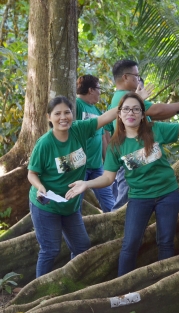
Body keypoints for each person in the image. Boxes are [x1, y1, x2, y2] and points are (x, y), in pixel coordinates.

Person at [66, 92, 179, 276]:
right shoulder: (116, 145)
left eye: (136, 109)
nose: (130, 113)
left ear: (143, 114)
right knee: (130, 243)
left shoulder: (155, 130)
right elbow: (108, 178)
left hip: (168, 194)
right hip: (140, 198)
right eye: (126, 109)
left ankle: (161, 284)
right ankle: (122, 286)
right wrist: (87, 184)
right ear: (119, 115)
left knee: (165, 241)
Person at [27, 96, 118, 277]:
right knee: (50, 249)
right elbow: (32, 173)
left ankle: (69, 282)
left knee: (81, 246)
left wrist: (135, 100)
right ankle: (36, 293)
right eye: (57, 113)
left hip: (71, 205)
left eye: (67, 112)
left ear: (72, 114)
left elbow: (108, 116)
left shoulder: (79, 130)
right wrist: (40, 187)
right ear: (49, 117)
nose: (63, 117)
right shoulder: (45, 144)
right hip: (46, 205)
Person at [109, 59, 179, 210]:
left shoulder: (126, 97)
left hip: (142, 154)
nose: (138, 79)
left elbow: (155, 116)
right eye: (136, 76)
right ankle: (117, 231)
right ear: (125, 77)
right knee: (123, 203)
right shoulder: (124, 98)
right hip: (130, 154)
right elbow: (156, 110)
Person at [76, 75, 115, 212]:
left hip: (97, 166)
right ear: (91, 90)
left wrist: (107, 161)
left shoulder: (97, 111)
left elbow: (104, 137)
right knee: (75, 202)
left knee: (109, 201)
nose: (100, 92)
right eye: (99, 89)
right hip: (80, 166)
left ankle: (117, 228)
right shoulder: (77, 105)